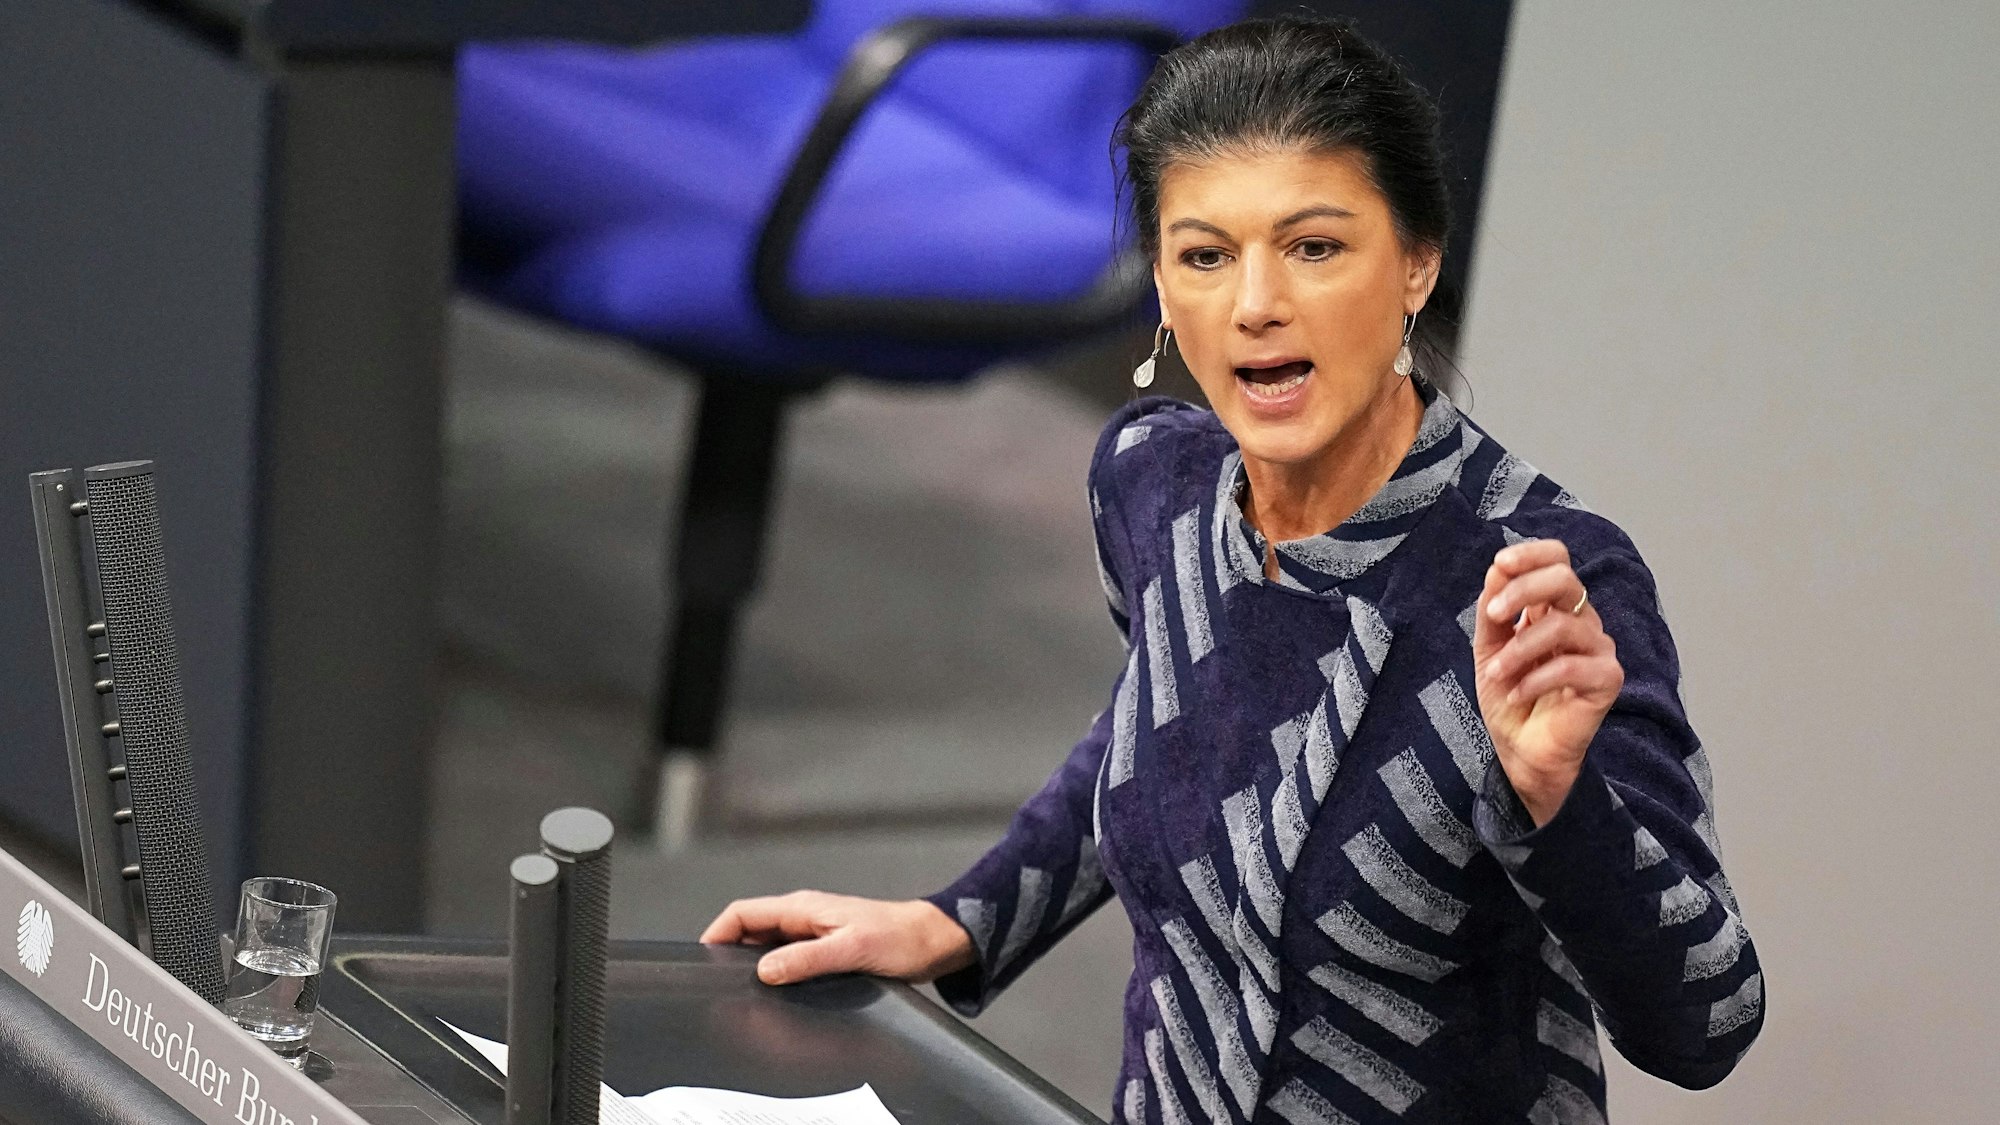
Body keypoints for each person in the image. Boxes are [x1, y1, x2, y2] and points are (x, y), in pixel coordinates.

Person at [703, 16, 1762, 1122]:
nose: (1255, 305)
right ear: (1162, 290)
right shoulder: (1151, 484)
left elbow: (1707, 1025)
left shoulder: (1542, 577)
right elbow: (1161, 723)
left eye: (1314, 248)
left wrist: (1558, 801)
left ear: (1416, 262)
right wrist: (959, 920)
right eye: (1204, 256)